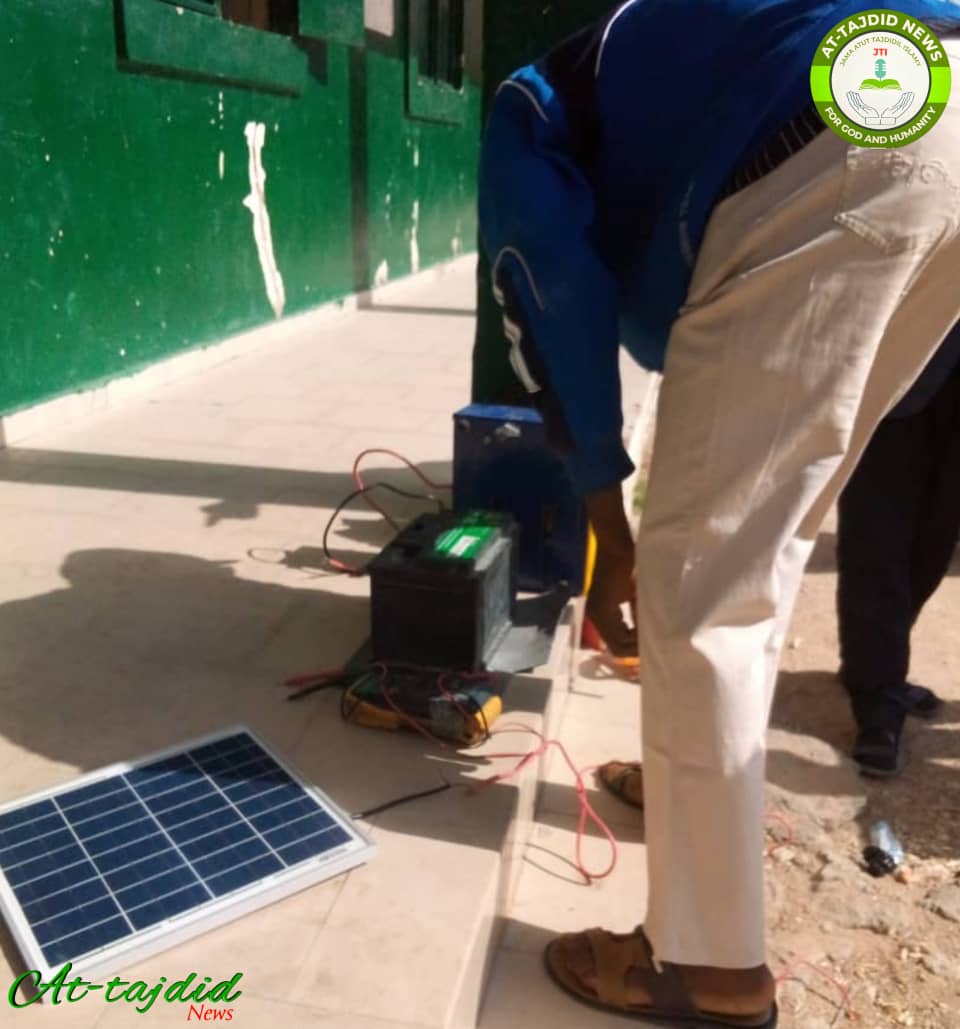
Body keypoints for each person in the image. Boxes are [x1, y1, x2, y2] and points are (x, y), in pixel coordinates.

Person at [477, 2, 960, 1025]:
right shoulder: (657, 57)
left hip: (836, 129)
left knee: (704, 577)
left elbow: (549, 286)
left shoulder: (529, 111)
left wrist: (607, 521)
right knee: (760, 544)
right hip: (933, 90)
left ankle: (708, 968)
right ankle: (686, 786)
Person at [838, 322, 960, 777]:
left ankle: (874, 662)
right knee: (876, 533)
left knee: (935, 543)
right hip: (901, 360)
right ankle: (878, 704)